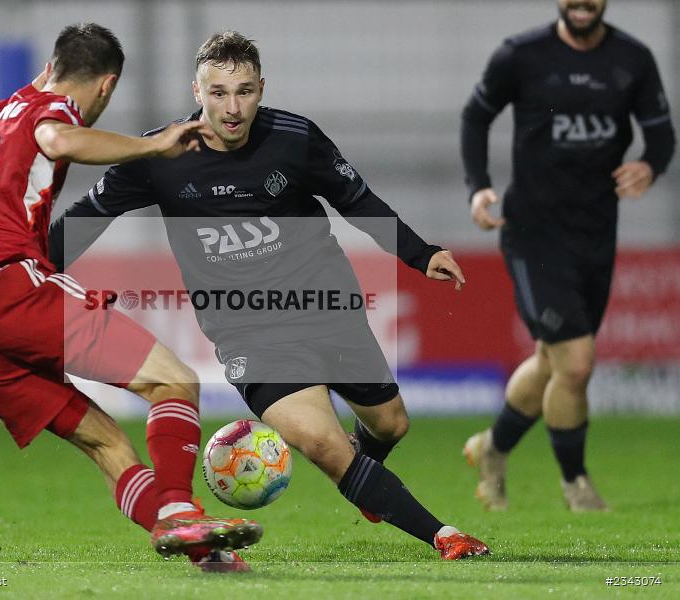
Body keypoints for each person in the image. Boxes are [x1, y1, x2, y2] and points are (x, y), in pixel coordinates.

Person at [50, 31, 489, 560]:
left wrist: (421, 253)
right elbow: (83, 222)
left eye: (244, 91)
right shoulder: (159, 153)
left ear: (262, 88)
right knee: (322, 445)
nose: (232, 108)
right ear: (197, 91)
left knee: (391, 423)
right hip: (247, 330)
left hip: (325, 306)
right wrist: (23, 268)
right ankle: (444, 535)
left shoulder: (295, 139)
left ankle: (367, 476)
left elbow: (358, 200)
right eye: (218, 93)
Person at [0, 23, 262, 572]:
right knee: (175, 380)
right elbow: (59, 140)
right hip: (9, 285)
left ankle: (201, 548)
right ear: (106, 86)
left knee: (108, 445)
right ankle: (180, 508)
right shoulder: (50, 116)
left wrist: (4, 110)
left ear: (53, 67)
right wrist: (153, 144)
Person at [460, 0, 675, 511]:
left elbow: (662, 135)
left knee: (551, 361)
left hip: (596, 234)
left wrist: (650, 165)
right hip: (532, 232)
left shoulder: (633, 59)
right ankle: (575, 483)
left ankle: (493, 448)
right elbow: (476, 116)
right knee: (576, 364)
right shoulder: (521, 55)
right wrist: (479, 187)